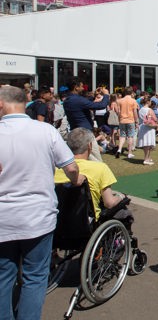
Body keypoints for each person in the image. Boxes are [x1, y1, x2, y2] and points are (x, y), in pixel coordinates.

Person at [0, 85, 84, 320]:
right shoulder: (45, 131)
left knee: (4, 275)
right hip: (38, 216)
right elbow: (70, 166)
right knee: (35, 276)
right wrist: (77, 180)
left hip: (4, 218)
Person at [54, 128, 129, 222]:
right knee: (123, 211)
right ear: (90, 145)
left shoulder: (56, 169)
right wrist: (121, 196)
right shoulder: (100, 168)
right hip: (86, 223)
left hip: (59, 221)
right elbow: (109, 203)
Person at [62, 77, 110, 161]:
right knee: (96, 161)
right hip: (85, 133)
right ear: (76, 87)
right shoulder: (77, 100)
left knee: (81, 159)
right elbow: (100, 106)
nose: (83, 88)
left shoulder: (67, 100)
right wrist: (106, 95)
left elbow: (85, 103)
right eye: (81, 86)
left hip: (75, 132)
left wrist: (94, 95)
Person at [116, 86, 140, 159]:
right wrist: (136, 121)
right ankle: (129, 152)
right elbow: (135, 112)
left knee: (122, 136)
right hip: (130, 120)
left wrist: (119, 119)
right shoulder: (133, 101)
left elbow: (118, 112)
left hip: (122, 120)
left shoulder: (119, 100)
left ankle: (119, 149)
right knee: (130, 136)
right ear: (132, 92)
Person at [136, 97, 157, 165]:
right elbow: (155, 119)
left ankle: (148, 157)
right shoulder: (149, 109)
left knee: (146, 143)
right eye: (150, 101)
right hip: (149, 127)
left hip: (142, 127)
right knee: (148, 143)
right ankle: (146, 159)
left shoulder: (140, 109)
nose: (151, 102)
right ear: (148, 102)